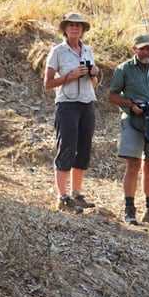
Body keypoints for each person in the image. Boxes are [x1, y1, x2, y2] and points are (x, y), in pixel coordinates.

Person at [108, 33, 149, 225]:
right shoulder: (124, 69)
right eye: (142, 48)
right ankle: (129, 209)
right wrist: (131, 105)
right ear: (134, 49)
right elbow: (112, 95)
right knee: (133, 164)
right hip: (132, 120)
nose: (146, 52)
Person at [42, 12, 101, 213]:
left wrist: (94, 73)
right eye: (71, 25)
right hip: (67, 104)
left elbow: (95, 82)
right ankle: (62, 197)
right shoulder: (57, 51)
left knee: (83, 149)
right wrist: (69, 76)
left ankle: (77, 194)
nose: (75, 28)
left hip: (87, 103)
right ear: (65, 29)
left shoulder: (88, 51)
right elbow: (47, 83)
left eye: (79, 25)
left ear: (83, 29)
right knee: (66, 148)